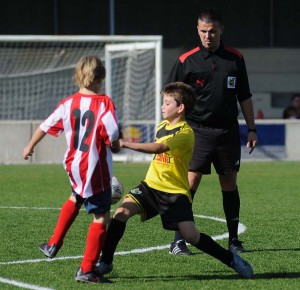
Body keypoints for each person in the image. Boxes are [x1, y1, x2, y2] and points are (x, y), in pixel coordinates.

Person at [96, 82, 254, 279]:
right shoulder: (162, 125)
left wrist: (126, 142)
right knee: (121, 213)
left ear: (180, 108)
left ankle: (231, 259)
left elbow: (159, 149)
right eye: (163, 102)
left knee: (191, 236)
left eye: (167, 103)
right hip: (150, 186)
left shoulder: (185, 133)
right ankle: (105, 262)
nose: (162, 106)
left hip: (174, 192)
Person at [165, 8, 258, 255]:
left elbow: (245, 96)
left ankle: (234, 240)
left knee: (229, 183)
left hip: (227, 131)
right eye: (204, 31)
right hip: (195, 131)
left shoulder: (235, 59)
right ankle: (178, 240)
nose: (208, 35)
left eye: (212, 31)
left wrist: (251, 129)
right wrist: (171, 128)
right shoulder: (187, 60)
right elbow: (170, 96)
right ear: (197, 30)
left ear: (221, 30)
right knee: (190, 182)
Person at [23, 55, 120, 284]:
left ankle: (53, 243)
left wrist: (29, 145)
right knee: (101, 217)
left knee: (76, 196)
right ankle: (87, 269)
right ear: (100, 78)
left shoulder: (68, 103)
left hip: (73, 164)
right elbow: (113, 132)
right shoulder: (104, 102)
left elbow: (45, 126)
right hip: (94, 168)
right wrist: (114, 145)